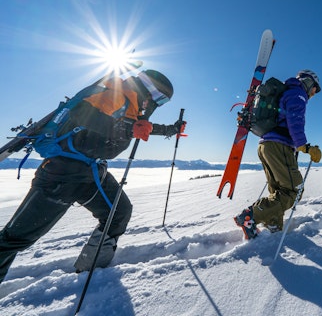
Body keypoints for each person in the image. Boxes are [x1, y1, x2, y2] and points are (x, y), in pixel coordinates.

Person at [0, 70, 185, 283]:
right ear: (149, 89)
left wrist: (171, 129)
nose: (158, 105)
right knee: (14, 239)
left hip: (92, 173)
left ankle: (91, 272)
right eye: (160, 98)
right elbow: (82, 112)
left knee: (118, 213)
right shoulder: (116, 94)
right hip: (61, 176)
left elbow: (140, 128)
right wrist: (128, 128)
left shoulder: (132, 107)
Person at [234, 69, 322, 239]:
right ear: (309, 83)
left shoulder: (287, 92)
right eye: (315, 89)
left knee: (278, 192)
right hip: (279, 146)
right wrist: (304, 146)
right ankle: (250, 216)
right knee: (293, 191)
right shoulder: (298, 94)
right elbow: (295, 122)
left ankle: (273, 227)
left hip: (265, 145)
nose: (313, 93)